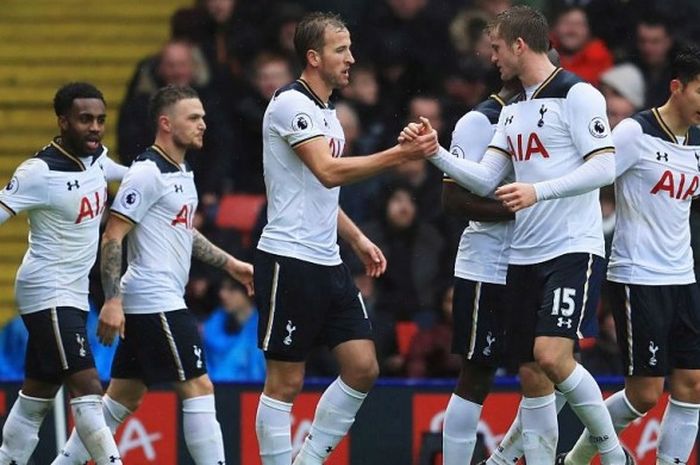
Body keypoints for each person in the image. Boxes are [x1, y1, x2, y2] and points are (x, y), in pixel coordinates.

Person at [403, 6, 630, 465]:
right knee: (537, 376)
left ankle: (612, 453)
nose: (493, 58)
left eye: (497, 48)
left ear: (519, 45)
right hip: (524, 256)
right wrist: (436, 154)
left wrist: (537, 191)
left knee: (551, 357)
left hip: (572, 247)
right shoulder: (513, 111)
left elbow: (604, 165)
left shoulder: (579, 94)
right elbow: (486, 178)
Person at [253, 11, 438, 465]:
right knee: (285, 383)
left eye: (351, 48)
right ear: (313, 57)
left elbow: (319, 189)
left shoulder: (326, 113)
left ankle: (308, 458)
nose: (351, 59)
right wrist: (400, 154)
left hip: (327, 259)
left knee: (363, 367)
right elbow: (328, 170)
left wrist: (355, 238)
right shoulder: (290, 105)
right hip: (288, 259)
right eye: (342, 50)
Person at [52, 85, 254, 465]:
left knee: (122, 399)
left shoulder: (181, 170)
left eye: (203, 117)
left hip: (154, 299)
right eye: (193, 118)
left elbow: (181, 230)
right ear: (166, 123)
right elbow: (112, 235)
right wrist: (112, 300)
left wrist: (230, 264)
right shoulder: (146, 172)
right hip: (154, 298)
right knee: (199, 387)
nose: (203, 125)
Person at [560, 45, 700, 465]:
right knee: (644, 393)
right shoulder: (635, 134)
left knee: (692, 384)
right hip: (637, 275)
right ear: (677, 88)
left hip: (683, 275)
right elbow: (591, 178)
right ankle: (577, 460)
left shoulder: (696, 144)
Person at [0, 82, 124, 465]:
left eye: (100, 120)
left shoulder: (96, 159)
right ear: (63, 121)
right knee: (87, 385)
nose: (95, 128)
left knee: (36, 395)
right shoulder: (39, 171)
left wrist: (157, 170)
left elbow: (120, 170)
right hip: (47, 290)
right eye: (85, 119)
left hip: (71, 293)